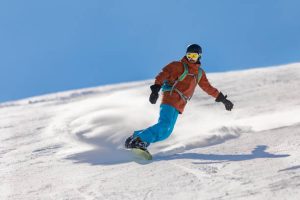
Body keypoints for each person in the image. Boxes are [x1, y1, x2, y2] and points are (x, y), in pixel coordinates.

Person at [125, 44, 234, 151]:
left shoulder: (199, 73)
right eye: (189, 55)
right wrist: (155, 90)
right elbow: (162, 75)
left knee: (166, 133)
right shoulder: (177, 66)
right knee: (164, 124)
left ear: (199, 56)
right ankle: (140, 140)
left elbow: (208, 87)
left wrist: (222, 99)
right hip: (170, 98)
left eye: (194, 56)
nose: (191, 58)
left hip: (180, 105)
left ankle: (136, 136)